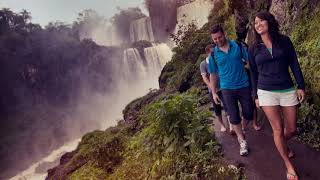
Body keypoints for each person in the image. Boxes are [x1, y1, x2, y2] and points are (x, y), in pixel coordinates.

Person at [248, 11, 305, 180]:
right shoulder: (254, 48)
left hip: (287, 88)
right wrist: (255, 95)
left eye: (261, 21)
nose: (258, 25)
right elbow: (253, 73)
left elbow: (294, 63)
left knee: (292, 129)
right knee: (277, 129)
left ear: (269, 22)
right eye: (255, 23)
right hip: (266, 91)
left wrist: (300, 86)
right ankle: (288, 165)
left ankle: (280, 143)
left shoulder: (284, 41)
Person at [208, 25, 254, 156]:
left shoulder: (238, 46)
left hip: (243, 84)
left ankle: (243, 129)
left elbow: (249, 62)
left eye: (220, 37)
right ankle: (242, 141)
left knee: (249, 112)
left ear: (225, 33)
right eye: (215, 39)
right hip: (227, 88)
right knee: (233, 116)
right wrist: (214, 92)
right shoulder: (213, 54)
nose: (218, 40)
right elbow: (213, 74)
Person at [200, 44, 230, 132]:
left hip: (223, 87)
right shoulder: (203, 64)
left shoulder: (218, 60)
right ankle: (222, 125)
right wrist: (212, 88)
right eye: (212, 52)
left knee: (227, 105)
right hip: (212, 90)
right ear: (207, 53)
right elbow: (205, 78)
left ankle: (231, 124)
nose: (214, 54)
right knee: (217, 108)